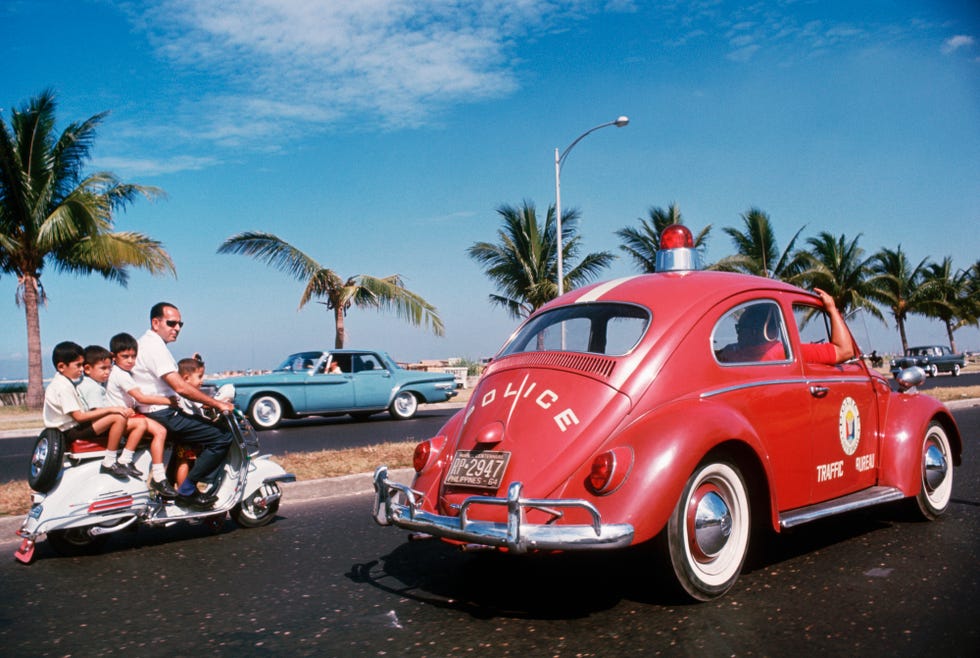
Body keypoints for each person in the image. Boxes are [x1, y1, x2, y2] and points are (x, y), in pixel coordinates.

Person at [132, 302, 234, 509]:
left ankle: (172, 485)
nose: (177, 328)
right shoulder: (154, 347)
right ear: (155, 322)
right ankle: (187, 490)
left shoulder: (148, 344)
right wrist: (216, 403)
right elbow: (181, 387)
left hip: (157, 412)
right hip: (161, 413)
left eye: (180, 324)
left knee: (191, 436)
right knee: (222, 435)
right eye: (171, 323)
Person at [42, 341, 133, 480]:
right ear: (61, 366)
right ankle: (109, 461)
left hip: (70, 429)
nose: (81, 369)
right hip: (70, 432)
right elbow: (79, 417)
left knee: (117, 416)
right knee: (118, 418)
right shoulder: (63, 387)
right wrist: (112, 409)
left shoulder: (63, 382)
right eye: (78, 365)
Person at [105, 333, 179, 498]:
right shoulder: (121, 375)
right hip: (122, 419)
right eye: (125, 356)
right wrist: (169, 401)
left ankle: (156, 474)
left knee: (160, 432)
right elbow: (141, 398)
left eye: (133, 356)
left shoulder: (122, 372)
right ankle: (131, 462)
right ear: (113, 357)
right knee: (158, 430)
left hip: (128, 415)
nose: (130, 360)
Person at [76, 344, 149, 479]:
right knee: (121, 418)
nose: (107, 372)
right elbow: (97, 412)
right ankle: (110, 460)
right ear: (87, 369)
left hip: (95, 424)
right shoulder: (92, 387)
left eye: (109, 368)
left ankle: (125, 459)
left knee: (141, 423)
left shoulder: (94, 384)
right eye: (103, 368)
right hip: (91, 426)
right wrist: (119, 411)